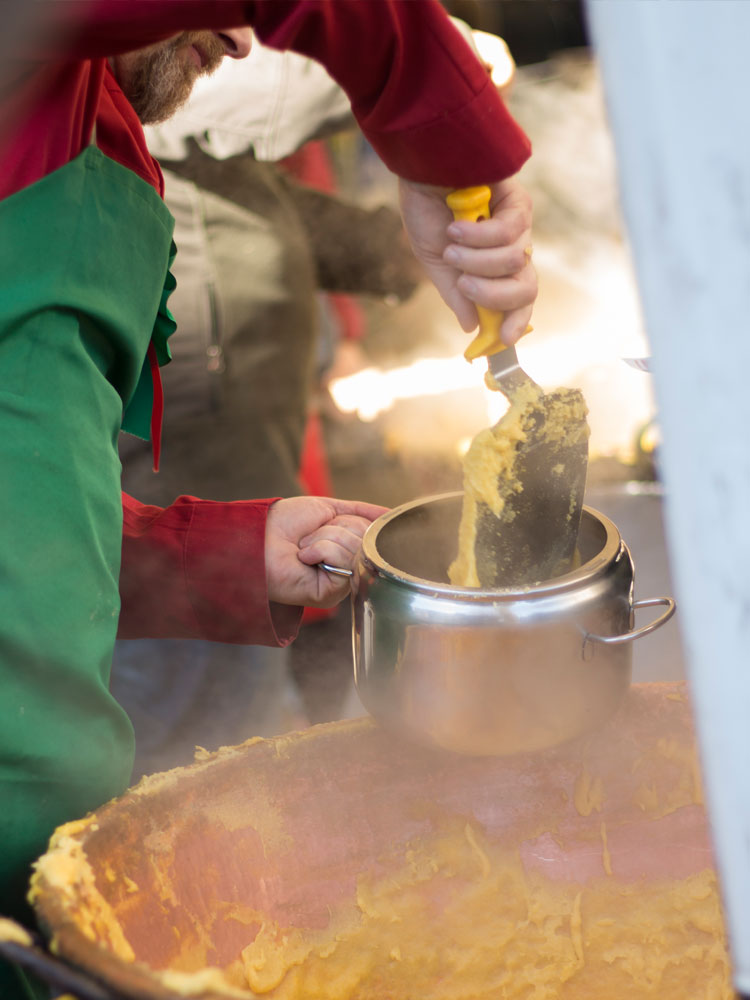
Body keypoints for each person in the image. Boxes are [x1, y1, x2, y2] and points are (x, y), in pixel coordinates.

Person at [0, 3, 536, 996]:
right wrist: (452, 149)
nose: (242, 36)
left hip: (37, 877)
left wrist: (221, 551)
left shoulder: (78, 120)